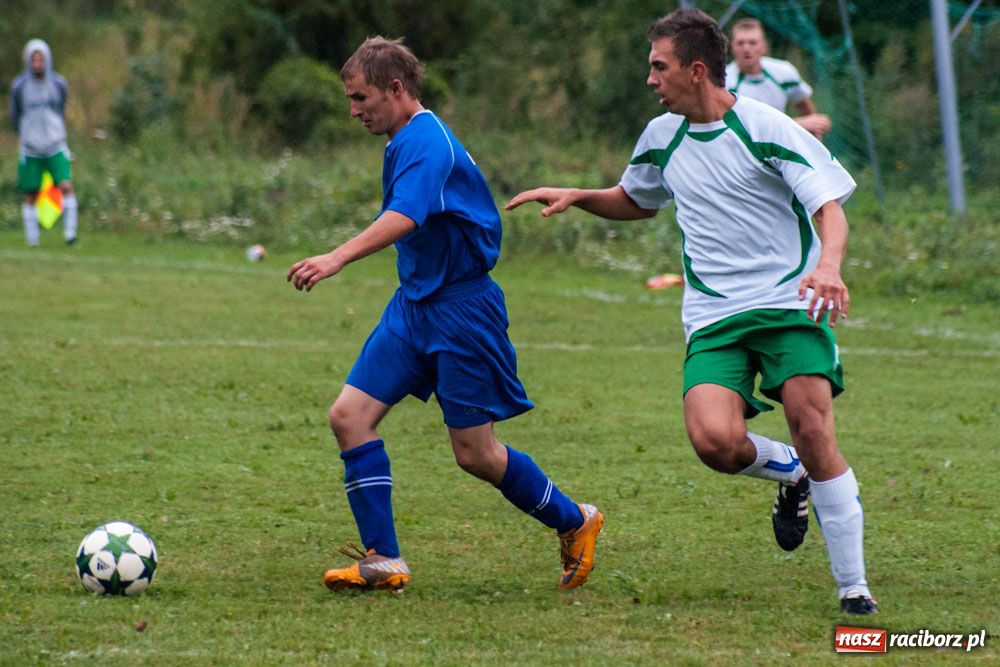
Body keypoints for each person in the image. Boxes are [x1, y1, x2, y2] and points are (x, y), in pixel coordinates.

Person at [507, 9, 877, 614]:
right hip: (713, 314)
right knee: (713, 441)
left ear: (696, 70)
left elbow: (829, 207)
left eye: (660, 66)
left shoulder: (768, 128)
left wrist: (829, 265)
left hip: (788, 301)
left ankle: (853, 586)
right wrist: (581, 196)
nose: (651, 79)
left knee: (813, 428)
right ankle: (792, 474)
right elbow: (636, 199)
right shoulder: (662, 136)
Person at [286, 37, 603, 592]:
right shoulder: (402, 139)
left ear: (396, 89)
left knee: (476, 454)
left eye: (361, 98)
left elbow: (405, 216)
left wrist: (336, 256)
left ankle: (577, 521)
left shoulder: (428, 142)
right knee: (348, 417)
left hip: (462, 310)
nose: (353, 110)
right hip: (414, 305)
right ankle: (383, 558)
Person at [10, 39, 78, 246]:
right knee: (31, 193)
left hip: (55, 144)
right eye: (34, 60)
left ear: (47, 60)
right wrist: (27, 135)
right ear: (28, 62)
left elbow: (61, 109)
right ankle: (32, 240)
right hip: (31, 148)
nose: (37, 64)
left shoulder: (58, 83)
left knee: (66, 185)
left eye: (41, 59)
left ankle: (70, 235)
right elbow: (15, 116)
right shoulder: (19, 86)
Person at [725, 17, 831, 140]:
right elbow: (740, 129)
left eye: (752, 42)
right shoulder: (723, 81)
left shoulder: (784, 72)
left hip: (779, 146)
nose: (746, 49)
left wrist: (815, 144)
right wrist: (796, 124)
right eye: (740, 43)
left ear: (764, 46)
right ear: (732, 47)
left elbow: (805, 108)